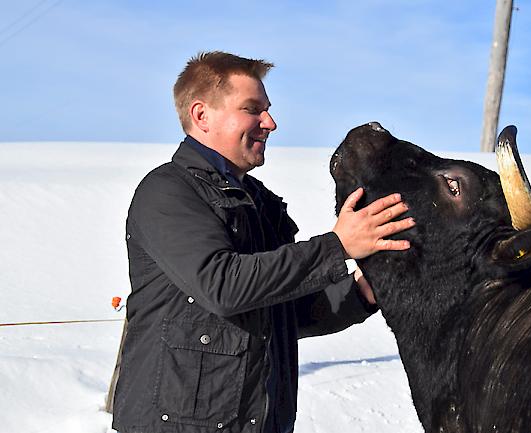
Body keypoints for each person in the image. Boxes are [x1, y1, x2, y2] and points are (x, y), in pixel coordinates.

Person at [111, 50, 415, 433]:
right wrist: (337, 246)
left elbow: (290, 312)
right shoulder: (168, 191)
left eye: (267, 109)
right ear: (201, 115)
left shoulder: (261, 203)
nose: (270, 122)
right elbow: (222, 285)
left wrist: (362, 292)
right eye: (252, 109)